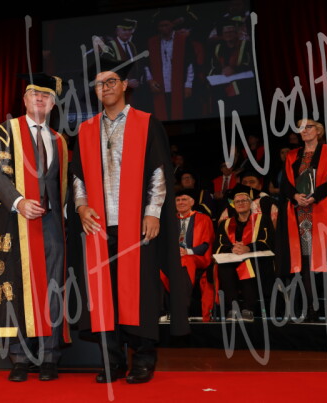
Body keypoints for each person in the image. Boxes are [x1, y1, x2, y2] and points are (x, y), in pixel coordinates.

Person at [71, 56, 188, 384]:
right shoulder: (86, 129)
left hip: (136, 224)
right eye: (99, 84)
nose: (105, 88)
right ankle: (113, 360)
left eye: (111, 81)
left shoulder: (145, 123)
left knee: (141, 292)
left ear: (124, 85)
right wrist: (81, 207)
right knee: (104, 293)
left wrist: (153, 212)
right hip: (98, 225)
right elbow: (77, 176)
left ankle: (143, 358)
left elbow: (159, 173)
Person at [0, 72, 68, 382]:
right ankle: (20, 358)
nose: (40, 98)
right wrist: (19, 202)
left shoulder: (60, 140)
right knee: (17, 285)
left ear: (53, 103)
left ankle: (49, 356)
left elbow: (62, 184)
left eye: (46, 95)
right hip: (16, 221)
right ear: (24, 99)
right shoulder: (7, 131)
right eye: (34, 93)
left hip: (52, 225)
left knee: (53, 287)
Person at [275, 119, 327, 322]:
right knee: (306, 261)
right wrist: (295, 196)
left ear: (318, 131)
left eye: (308, 126)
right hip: (300, 216)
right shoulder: (292, 155)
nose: (304, 130)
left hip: (325, 213)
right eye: (300, 128)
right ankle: (311, 308)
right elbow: (285, 185)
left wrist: (315, 196)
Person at [214, 186, 274, 322]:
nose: (240, 203)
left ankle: (248, 308)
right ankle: (233, 308)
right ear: (234, 205)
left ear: (251, 203)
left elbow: (267, 240)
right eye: (237, 201)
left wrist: (248, 248)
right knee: (225, 268)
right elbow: (219, 244)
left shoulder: (262, 219)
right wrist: (232, 249)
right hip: (232, 258)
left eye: (244, 201)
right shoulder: (226, 224)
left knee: (247, 265)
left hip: (257, 260)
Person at [173, 189, 215, 321]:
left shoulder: (203, 219)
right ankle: (163, 311)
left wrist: (187, 251)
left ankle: (182, 307)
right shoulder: (170, 220)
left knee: (186, 260)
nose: (181, 202)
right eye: (178, 200)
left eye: (184, 199)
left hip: (198, 257)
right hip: (174, 258)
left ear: (192, 202)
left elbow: (206, 244)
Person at [145, 10, 194, 121]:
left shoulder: (183, 40)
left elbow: (190, 65)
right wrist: (150, 81)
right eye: (161, 26)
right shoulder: (152, 42)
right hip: (159, 87)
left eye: (166, 25)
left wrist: (188, 85)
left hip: (179, 86)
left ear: (172, 24)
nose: (164, 28)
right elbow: (146, 64)